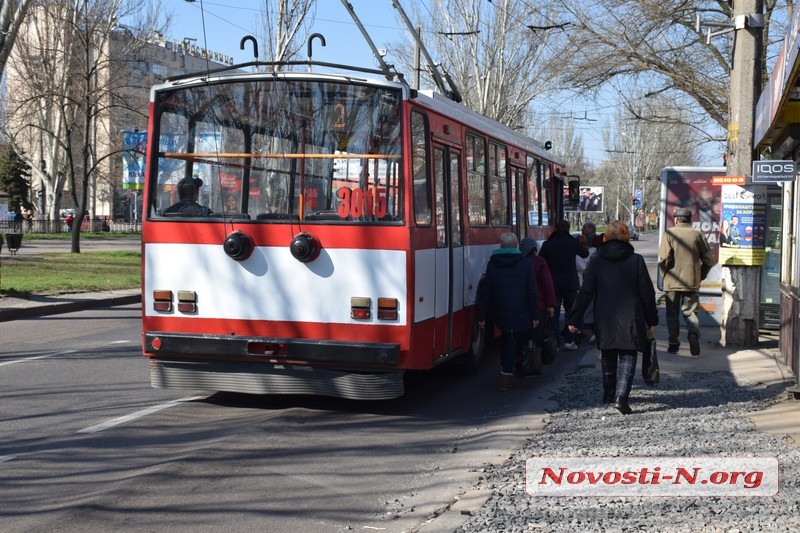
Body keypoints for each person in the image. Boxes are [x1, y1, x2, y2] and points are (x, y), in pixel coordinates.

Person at [567, 220, 658, 415]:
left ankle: (609, 393)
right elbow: (647, 294)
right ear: (627, 237)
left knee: (608, 353)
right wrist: (652, 320)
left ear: (605, 237)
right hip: (631, 316)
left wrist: (574, 319)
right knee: (629, 354)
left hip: (604, 316)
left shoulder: (597, 260)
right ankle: (621, 397)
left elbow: (586, 292)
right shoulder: (636, 260)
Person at [476, 233, 539, 391]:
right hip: (521, 310)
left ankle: (507, 369)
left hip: (500, 310)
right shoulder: (525, 264)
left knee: (506, 339)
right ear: (516, 245)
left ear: (501, 246)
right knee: (513, 341)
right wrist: (535, 315)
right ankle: (507, 374)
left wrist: (482, 315)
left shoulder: (493, 264)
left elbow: (486, 291)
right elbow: (532, 292)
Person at [659, 208, 714, 356]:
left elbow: (664, 258)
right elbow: (709, 260)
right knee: (691, 312)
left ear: (676, 219)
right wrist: (700, 275)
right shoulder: (697, 234)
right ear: (690, 220)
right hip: (692, 281)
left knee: (672, 314)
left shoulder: (669, 234)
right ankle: (693, 335)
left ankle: (673, 344)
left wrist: (664, 273)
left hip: (672, 281)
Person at [538, 220, 589, 351]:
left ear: (556, 229)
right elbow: (585, 253)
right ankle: (569, 340)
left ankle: (555, 343)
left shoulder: (548, 244)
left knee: (554, 313)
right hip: (570, 283)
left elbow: (541, 259)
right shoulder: (571, 243)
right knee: (572, 312)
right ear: (568, 229)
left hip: (553, 283)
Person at [519, 237, 556, 370]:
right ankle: (534, 364)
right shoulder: (539, 261)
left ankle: (521, 364)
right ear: (534, 249)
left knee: (523, 336)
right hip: (539, 305)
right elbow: (548, 285)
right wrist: (551, 304)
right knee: (537, 336)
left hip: (521, 306)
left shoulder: (519, 262)